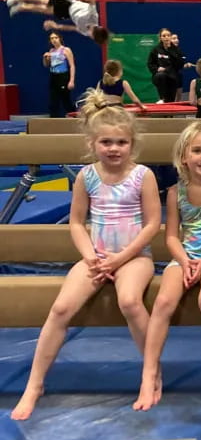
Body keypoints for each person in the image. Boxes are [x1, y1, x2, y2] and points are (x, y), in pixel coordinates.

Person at [11, 91, 160, 420]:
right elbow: (77, 222)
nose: (113, 148)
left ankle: (151, 373)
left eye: (121, 142)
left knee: (131, 302)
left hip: (134, 257)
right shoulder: (87, 176)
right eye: (106, 142)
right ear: (92, 143)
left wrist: (119, 260)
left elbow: (152, 225)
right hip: (96, 255)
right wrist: (91, 256)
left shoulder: (142, 175)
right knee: (61, 308)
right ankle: (35, 384)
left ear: (132, 144)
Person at [133, 122, 201, 411]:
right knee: (163, 302)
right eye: (197, 151)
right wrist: (184, 261)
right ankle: (148, 372)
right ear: (184, 156)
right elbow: (171, 235)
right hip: (185, 257)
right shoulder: (175, 192)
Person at [5, 0, 109, 45]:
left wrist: (56, 26)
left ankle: (21, 7)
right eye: (93, 37)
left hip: (67, 14)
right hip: (68, 3)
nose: (90, 37)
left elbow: (73, 28)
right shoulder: (93, 17)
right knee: (43, 0)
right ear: (94, 32)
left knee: (43, 10)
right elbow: (92, 0)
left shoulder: (86, 32)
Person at [147, 27, 186, 103]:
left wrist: (170, 51)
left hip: (173, 76)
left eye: (168, 35)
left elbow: (180, 63)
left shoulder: (176, 50)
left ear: (170, 37)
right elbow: (150, 63)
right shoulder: (155, 49)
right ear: (160, 38)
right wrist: (157, 68)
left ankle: (169, 112)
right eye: (164, 36)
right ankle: (162, 98)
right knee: (160, 76)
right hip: (160, 76)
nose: (166, 37)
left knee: (170, 100)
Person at [43, 31, 75, 117]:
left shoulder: (66, 50)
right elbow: (47, 65)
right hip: (53, 76)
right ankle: (54, 121)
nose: (54, 40)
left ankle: (73, 118)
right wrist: (45, 58)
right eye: (52, 38)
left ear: (60, 38)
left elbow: (72, 65)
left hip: (63, 76)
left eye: (55, 38)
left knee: (66, 100)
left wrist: (71, 81)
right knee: (53, 102)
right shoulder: (51, 50)